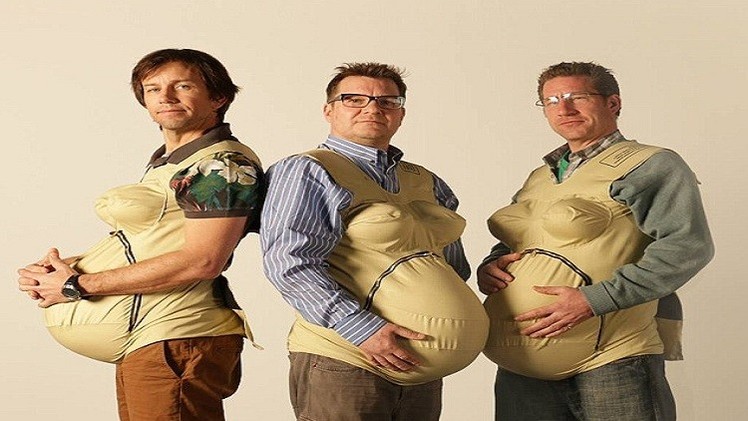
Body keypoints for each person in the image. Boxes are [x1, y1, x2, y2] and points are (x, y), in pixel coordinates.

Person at [17, 48, 264, 421]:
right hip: (150, 336)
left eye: (183, 86)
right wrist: (63, 268)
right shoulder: (172, 161)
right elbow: (157, 239)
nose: (166, 97)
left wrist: (76, 285)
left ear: (218, 97)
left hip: (177, 333)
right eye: (153, 89)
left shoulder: (220, 165)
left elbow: (203, 260)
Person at [478, 61, 714, 420]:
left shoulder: (650, 165)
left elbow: (686, 246)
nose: (564, 108)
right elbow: (523, 240)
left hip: (613, 357)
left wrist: (594, 299)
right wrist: (492, 265)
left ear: (613, 103)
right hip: (522, 359)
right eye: (551, 100)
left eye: (578, 97)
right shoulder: (540, 176)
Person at [261, 62, 488, 420]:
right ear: (329, 110)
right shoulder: (310, 170)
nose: (372, 108)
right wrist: (363, 330)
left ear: (401, 114)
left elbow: (451, 268)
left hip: (418, 365)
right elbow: (290, 264)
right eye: (354, 99)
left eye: (387, 101)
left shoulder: (427, 181)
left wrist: (443, 318)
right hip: (348, 355)